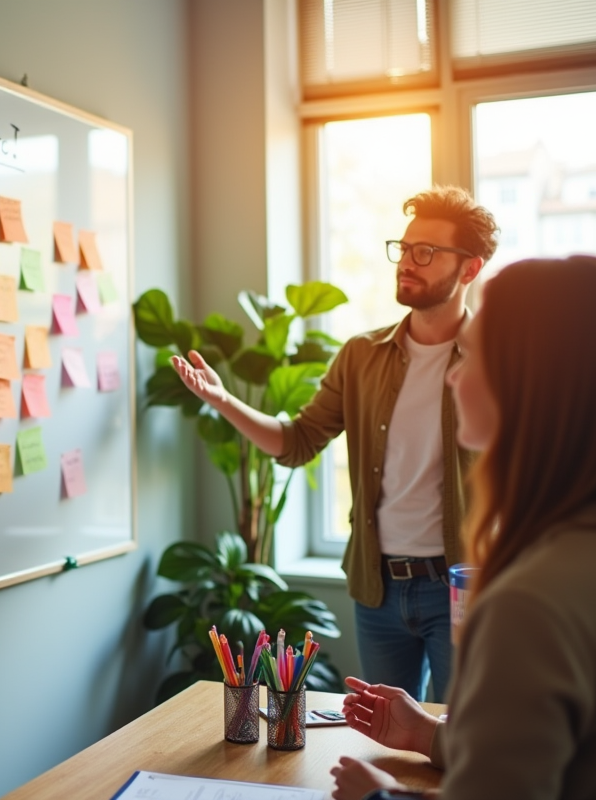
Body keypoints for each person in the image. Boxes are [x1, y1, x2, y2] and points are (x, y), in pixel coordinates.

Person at [330, 255, 596, 799]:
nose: (455, 373)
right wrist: (427, 733)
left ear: (535, 382)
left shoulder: (533, 600)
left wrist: (379, 797)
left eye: (475, 354)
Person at [172, 186, 498, 701]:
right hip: (378, 588)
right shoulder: (361, 356)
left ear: (469, 269)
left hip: (462, 587)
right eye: (404, 248)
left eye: (426, 252)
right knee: (384, 740)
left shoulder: (498, 358)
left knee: (463, 739)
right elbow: (298, 442)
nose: (406, 263)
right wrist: (224, 401)